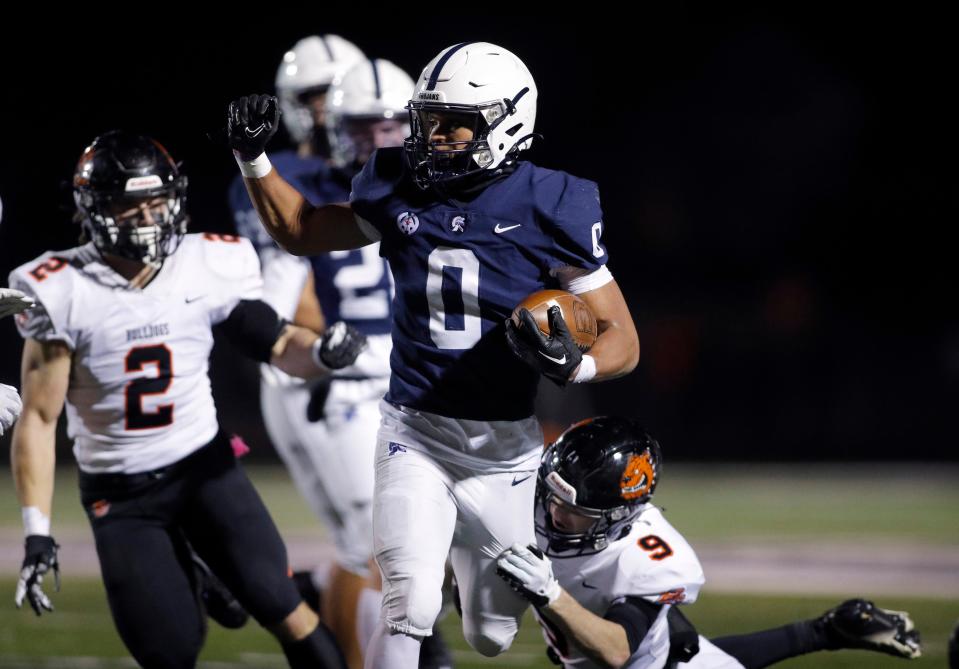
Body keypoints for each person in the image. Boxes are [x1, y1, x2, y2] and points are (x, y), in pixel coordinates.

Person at [225, 41, 640, 668]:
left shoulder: (553, 202)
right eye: (429, 120)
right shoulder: (398, 181)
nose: (435, 137)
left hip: (505, 450)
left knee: (491, 635)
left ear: (509, 122)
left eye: (455, 123)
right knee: (410, 604)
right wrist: (253, 157)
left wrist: (574, 364)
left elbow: (623, 340)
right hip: (412, 431)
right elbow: (301, 231)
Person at [8, 130, 367, 669]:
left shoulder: (207, 262)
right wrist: (37, 532)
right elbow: (38, 418)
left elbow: (274, 342)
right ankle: (194, 571)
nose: (148, 218)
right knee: (169, 650)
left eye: (157, 203)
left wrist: (323, 355)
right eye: (132, 206)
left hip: (206, 470)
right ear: (96, 208)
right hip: (120, 494)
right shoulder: (60, 285)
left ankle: (206, 566)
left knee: (281, 604)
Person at [495, 416, 923, 668]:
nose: (553, 515)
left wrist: (550, 593)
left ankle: (831, 628)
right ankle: (830, 628)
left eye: (575, 511)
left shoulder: (649, 555)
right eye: (552, 497)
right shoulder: (542, 496)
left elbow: (619, 651)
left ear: (619, 514)